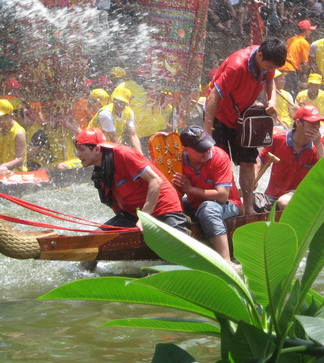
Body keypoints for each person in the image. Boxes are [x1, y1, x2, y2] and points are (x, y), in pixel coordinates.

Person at [204, 37, 287, 215]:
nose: (270, 70)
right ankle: (223, 204)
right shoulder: (236, 66)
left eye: (273, 68)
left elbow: (270, 81)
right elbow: (213, 97)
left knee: (248, 161)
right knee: (220, 161)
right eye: (269, 66)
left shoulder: (268, 61)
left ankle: (248, 207)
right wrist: (207, 133)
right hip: (220, 116)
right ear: (260, 54)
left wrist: (272, 99)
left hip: (244, 117)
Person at [75, 127, 188, 233]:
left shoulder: (123, 153)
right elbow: (115, 204)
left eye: (81, 149)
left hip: (164, 209)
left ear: (97, 149)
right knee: (95, 240)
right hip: (133, 216)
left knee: (179, 245)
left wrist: (145, 218)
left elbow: (156, 181)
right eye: (77, 149)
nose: (78, 155)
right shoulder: (100, 172)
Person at [172, 126, 241, 265]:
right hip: (195, 205)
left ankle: (226, 261)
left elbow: (222, 196)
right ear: (185, 149)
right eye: (200, 149)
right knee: (170, 208)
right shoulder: (177, 160)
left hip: (228, 205)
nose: (206, 152)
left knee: (207, 208)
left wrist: (190, 189)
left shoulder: (219, 157)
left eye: (207, 147)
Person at [254, 105, 324, 212]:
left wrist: (318, 144)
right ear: (298, 123)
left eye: (318, 123)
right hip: (271, 196)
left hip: (298, 197)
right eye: (312, 123)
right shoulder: (278, 139)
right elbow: (260, 159)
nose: (316, 127)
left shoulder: (318, 147)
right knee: (247, 202)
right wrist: (254, 178)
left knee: (284, 202)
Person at [88, 86, 143, 154]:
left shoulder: (129, 112)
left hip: (112, 145)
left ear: (127, 104)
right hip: (93, 145)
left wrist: (140, 154)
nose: (119, 105)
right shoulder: (106, 113)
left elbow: (133, 135)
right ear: (113, 100)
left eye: (122, 102)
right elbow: (113, 137)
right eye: (117, 101)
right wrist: (125, 154)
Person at [280, 19, 316, 95]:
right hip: (289, 69)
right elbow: (305, 63)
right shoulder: (304, 42)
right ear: (306, 31)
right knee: (291, 94)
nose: (310, 32)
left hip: (280, 67)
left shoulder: (291, 39)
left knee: (281, 92)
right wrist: (303, 74)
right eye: (310, 30)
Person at [0, 99, 26, 173]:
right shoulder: (1, 131)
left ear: (8, 116)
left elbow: (20, 159)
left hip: (17, 175)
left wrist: (4, 166)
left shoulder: (19, 133)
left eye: (0, 118)